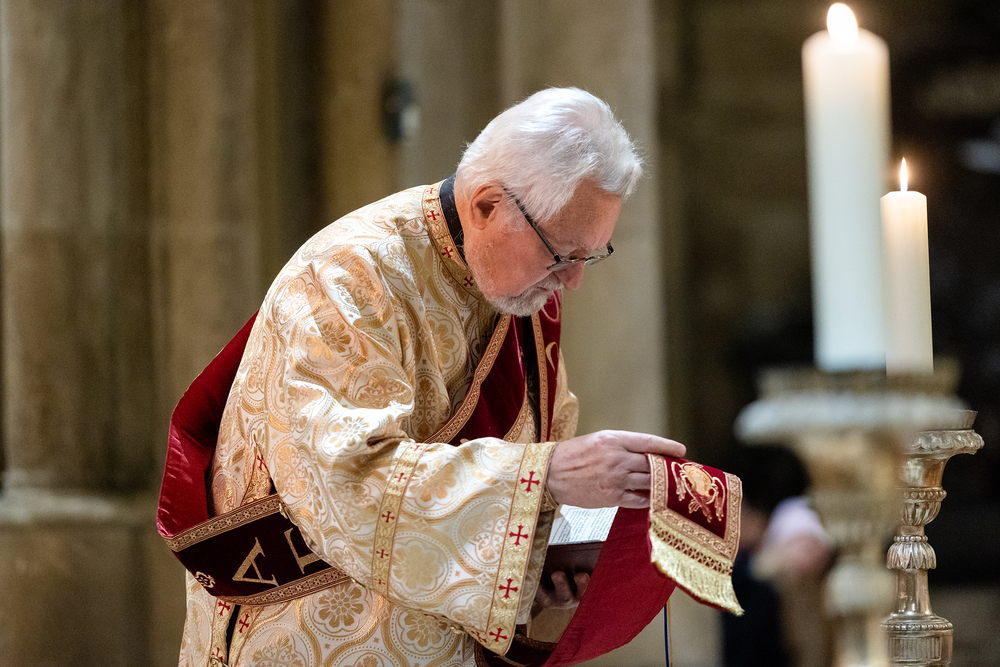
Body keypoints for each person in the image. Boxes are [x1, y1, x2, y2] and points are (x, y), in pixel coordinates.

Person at [172, 87, 690, 667]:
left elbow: (543, 443)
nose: (573, 281)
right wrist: (545, 477)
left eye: (590, 255)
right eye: (562, 253)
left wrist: (544, 560)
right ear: (488, 205)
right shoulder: (348, 277)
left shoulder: (518, 295)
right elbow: (344, 482)